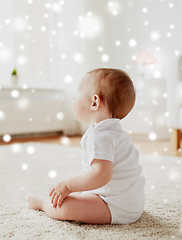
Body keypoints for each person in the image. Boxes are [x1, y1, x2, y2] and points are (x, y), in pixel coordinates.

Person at [28, 68, 145, 224]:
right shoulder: (114, 132)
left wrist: (68, 186)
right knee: (71, 198)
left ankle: (42, 204)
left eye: (77, 94)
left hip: (114, 206)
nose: (74, 98)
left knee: (64, 206)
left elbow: (101, 175)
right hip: (131, 204)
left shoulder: (100, 135)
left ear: (94, 102)